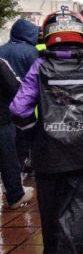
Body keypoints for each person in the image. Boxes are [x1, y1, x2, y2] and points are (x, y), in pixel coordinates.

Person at [9, 8, 83, 254]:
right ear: (82, 33)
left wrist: (34, 135)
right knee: (78, 220)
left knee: (50, 221)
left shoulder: (39, 67)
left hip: (48, 156)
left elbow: (19, 110)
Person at [0, 19, 40, 174]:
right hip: (25, 104)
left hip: (4, 105)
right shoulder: (31, 52)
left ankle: (8, 175)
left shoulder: (1, 49)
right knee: (23, 139)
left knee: (7, 145)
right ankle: (20, 173)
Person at [0, 57, 35, 209]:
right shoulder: (0, 63)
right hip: (2, 119)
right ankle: (16, 194)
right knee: (8, 159)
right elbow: (15, 87)